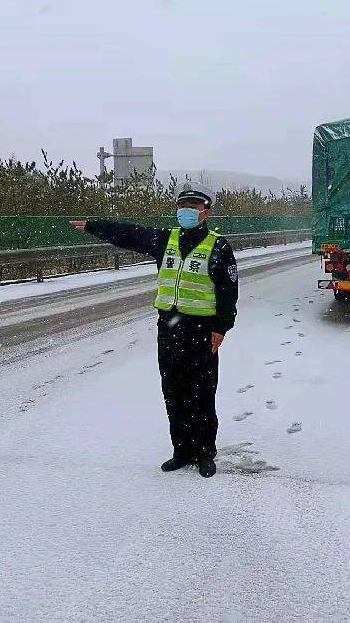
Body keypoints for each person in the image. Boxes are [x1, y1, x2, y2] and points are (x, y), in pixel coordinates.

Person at [68, 182, 238, 478]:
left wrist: (221, 327)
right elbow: (129, 234)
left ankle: (205, 454)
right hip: (169, 330)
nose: (186, 211)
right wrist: (94, 226)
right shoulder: (166, 239)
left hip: (201, 330)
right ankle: (182, 451)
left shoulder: (218, 246)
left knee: (202, 394)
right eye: (182, 206)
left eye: (193, 207)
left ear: (205, 212)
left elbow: (228, 289)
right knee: (174, 392)